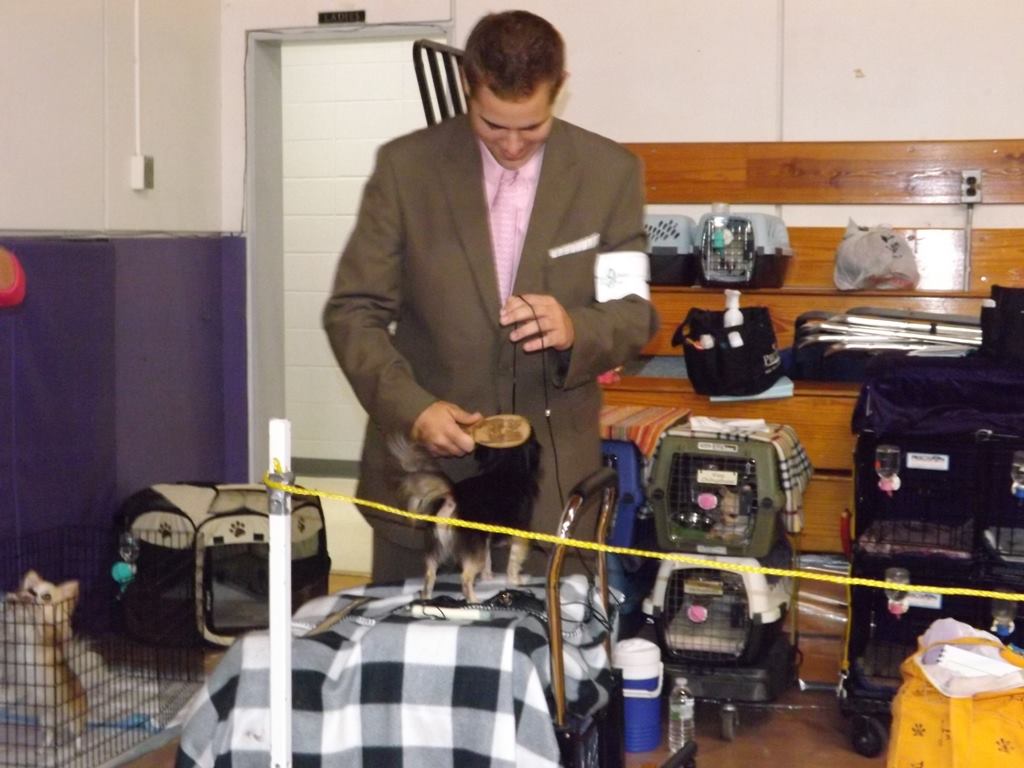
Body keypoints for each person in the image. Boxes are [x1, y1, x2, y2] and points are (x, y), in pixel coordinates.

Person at [322, 10, 658, 582]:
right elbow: (353, 312)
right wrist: (413, 409)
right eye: (493, 125)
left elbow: (633, 315)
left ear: (559, 87)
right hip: (428, 486)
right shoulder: (405, 169)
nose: (512, 145)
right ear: (467, 87)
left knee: (551, 640)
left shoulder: (611, 174)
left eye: (532, 126)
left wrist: (577, 328)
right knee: (412, 639)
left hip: (551, 493)